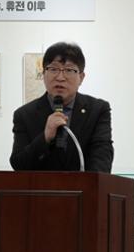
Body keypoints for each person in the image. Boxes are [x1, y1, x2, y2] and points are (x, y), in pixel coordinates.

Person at [10, 41, 113, 173]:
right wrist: (45, 138)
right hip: (41, 186)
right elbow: (19, 165)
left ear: (81, 77)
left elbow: (102, 158)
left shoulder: (98, 110)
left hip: (83, 185)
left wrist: (87, 184)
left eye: (69, 70)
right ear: (43, 74)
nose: (60, 77)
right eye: (53, 69)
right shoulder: (24, 114)